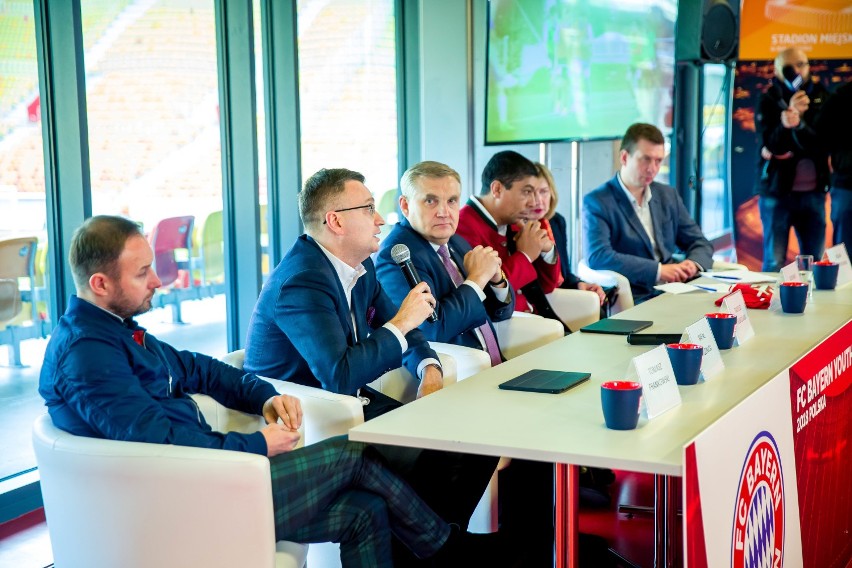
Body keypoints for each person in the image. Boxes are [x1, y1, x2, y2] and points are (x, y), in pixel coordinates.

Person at [38, 215, 497, 568]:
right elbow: (160, 443)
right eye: (142, 273)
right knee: (351, 453)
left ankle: (444, 547)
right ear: (100, 284)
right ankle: (448, 551)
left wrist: (261, 397)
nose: (158, 281)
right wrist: (257, 444)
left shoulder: (116, 331)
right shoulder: (85, 355)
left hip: (212, 476)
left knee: (365, 509)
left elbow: (202, 370)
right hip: (185, 497)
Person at [244, 168, 497, 537]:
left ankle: (440, 543)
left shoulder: (359, 267)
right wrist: (402, 322)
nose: (380, 219)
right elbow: (339, 373)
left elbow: (403, 326)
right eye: (367, 209)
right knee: (438, 454)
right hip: (312, 416)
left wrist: (429, 368)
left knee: (477, 440)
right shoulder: (302, 279)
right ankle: (441, 547)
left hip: (353, 400)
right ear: (335, 221)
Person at [376, 161, 514, 365]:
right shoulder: (397, 255)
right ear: (405, 205)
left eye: (452, 201)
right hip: (459, 374)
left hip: (494, 364)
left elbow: (499, 313)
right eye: (430, 201)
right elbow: (432, 329)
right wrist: (476, 279)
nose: (444, 212)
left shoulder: (456, 241)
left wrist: (496, 281)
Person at [583, 122, 714, 302]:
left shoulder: (667, 195)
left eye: (658, 160)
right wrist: (658, 270)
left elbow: (699, 242)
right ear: (624, 157)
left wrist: (693, 264)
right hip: (636, 295)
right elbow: (599, 256)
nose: (652, 168)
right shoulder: (598, 201)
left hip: (676, 290)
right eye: (645, 159)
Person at [456, 150, 564, 321]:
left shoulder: (514, 221)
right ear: (497, 189)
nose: (534, 202)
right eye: (526, 192)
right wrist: (525, 255)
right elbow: (489, 296)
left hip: (535, 323)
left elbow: (547, 286)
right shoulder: (462, 226)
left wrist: (547, 249)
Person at [754, 47, 829, 271]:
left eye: (801, 64)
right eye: (789, 67)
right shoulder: (769, 98)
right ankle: (770, 303)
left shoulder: (822, 96)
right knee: (774, 261)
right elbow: (771, 144)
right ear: (777, 71)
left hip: (814, 193)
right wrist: (786, 124)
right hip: (777, 192)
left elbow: (821, 144)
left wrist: (800, 124)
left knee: (814, 262)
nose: (796, 71)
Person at [526, 162, 607, 307]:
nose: (538, 201)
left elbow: (564, 273)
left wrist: (579, 284)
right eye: (530, 193)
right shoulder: (515, 228)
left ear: (552, 192)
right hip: (540, 304)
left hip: (564, 298)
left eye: (543, 191)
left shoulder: (556, 221)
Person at [815, 80, 852, 247]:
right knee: (844, 253)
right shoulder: (842, 96)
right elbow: (820, 135)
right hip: (846, 183)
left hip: (844, 183)